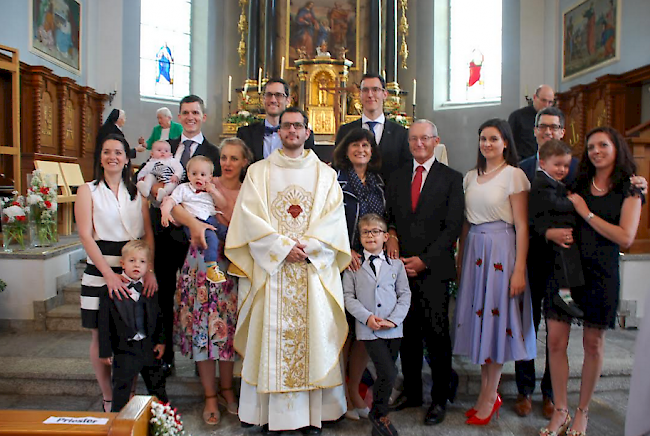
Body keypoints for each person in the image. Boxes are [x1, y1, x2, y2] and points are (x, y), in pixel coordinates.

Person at [225, 107, 351, 434]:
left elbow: (334, 219)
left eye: (298, 125)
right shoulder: (258, 172)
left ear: (308, 132)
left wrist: (307, 247)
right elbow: (248, 219)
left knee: (316, 337)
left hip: (310, 269)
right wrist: (281, 248)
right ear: (279, 131)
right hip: (273, 272)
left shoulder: (325, 174)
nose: (292, 130)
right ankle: (266, 415)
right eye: (286, 126)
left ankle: (316, 414)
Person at [541, 126, 642, 436]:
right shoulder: (577, 181)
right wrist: (547, 232)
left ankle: (583, 411)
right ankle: (560, 410)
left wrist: (586, 214)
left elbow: (625, 237)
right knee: (555, 342)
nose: (596, 150)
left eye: (603, 145)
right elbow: (544, 205)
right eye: (591, 146)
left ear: (617, 148)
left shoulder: (631, 189)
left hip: (601, 274)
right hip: (567, 272)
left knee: (593, 344)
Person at [453, 118, 536, 426]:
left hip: (502, 249)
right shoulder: (471, 177)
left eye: (493, 139)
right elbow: (465, 220)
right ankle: (486, 394)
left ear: (505, 143)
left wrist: (519, 271)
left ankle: (491, 395)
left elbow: (523, 226)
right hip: (475, 249)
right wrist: (461, 256)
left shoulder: (514, 176)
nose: (487, 144)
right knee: (481, 324)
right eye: (483, 139)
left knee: (497, 323)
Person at [385, 120, 464, 426]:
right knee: (408, 335)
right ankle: (413, 391)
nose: (419, 144)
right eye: (414, 139)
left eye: (425, 139)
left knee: (437, 335)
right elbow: (389, 216)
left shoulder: (451, 178)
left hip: (433, 269)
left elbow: (453, 227)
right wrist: (391, 234)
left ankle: (440, 398)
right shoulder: (397, 176)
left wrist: (425, 260)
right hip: (401, 267)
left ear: (436, 141)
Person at [171, 137, 253, 425]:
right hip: (201, 264)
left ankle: (228, 391)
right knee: (203, 329)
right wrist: (194, 223)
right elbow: (175, 207)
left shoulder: (249, 190)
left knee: (226, 330)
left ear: (245, 162)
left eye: (235, 158)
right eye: (225, 158)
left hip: (232, 265)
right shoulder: (206, 180)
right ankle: (209, 394)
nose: (228, 163)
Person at [75, 134, 157, 413]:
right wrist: (109, 276)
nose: (113, 156)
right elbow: (86, 235)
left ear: (126, 159)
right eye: (107, 152)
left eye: (118, 152)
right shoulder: (88, 190)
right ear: (100, 157)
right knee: (101, 336)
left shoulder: (137, 192)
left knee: (130, 334)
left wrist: (150, 271)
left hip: (133, 268)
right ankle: (109, 396)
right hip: (100, 272)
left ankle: (128, 392)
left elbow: (148, 235)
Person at [151, 94, 220, 375]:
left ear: (204, 117)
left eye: (195, 112)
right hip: (167, 232)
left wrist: (193, 223)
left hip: (198, 236)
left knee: (200, 296)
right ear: (179, 118)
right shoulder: (166, 148)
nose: (190, 117)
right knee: (165, 293)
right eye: (185, 113)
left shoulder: (214, 152)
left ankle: (199, 357)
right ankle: (165, 355)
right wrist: (155, 189)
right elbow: (151, 178)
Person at [515, 105, 571, 419]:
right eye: (542, 127)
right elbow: (518, 218)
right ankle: (524, 390)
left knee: (557, 332)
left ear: (562, 131)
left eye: (554, 127)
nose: (548, 132)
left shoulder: (574, 169)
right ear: (535, 131)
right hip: (531, 258)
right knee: (526, 326)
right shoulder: (521, 168)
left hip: (563, 265)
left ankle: (551, 393)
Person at [332, 127, 385, 420]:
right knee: (346, 331)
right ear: (345, 149)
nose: (361, 150)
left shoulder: (378, 181)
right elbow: (327, 219)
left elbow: (385, 219)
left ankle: (354, 389)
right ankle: (342, 391)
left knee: (366, 330)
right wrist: (344, 249)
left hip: (372, 265)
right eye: (355, 145)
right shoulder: (335, 180)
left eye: (366, 145)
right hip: (345, 263)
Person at [342, 213, 411, 436]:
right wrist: (367, 317)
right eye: (365, 232)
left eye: (375, 232)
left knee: (387, 373)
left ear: (385, 236)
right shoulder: (354, 266)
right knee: (388, 372)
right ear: (360, 237)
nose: (370, 236)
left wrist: (393, 320)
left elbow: (404, 295)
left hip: (393, 328)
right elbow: (348, 297)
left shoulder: (396, 266)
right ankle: (378, 413)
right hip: (368, 329)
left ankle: (379, 423)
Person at [98, 240, 167, 412]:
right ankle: (116, 423)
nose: (137, 265)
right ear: (122, 263)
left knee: (158, 387)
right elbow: (104, 324)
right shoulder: (109, 292)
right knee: (121, 389)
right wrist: (105, 351)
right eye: (132, 261)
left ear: (148, 266)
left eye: (142, 262)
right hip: (124, 350)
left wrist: (161, 341)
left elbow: (160, 317)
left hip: (148, 348)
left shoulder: (151, 290)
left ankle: (167, 421)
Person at [529, 139, 584, 319]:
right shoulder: (541, 182)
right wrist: (573, 203)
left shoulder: (553, 181)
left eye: (566, 165)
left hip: (556, 231)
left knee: (568, 260)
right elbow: (553, 204)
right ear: (543, 163)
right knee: (565, 259)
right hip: (545, 232)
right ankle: (564, 296)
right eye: (557, 165)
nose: (562, 169)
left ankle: (566, 294)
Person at [160, 155, 228, 284]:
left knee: (228, 233)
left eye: (203, 174)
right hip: (195, 222)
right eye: (194, 174)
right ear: (189, 176)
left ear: (210, 177)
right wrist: (165, 213)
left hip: (211, 220)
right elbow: (171, 201)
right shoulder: (183, 189)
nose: (198, 177)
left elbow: (223, 204)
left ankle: (237, 258)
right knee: (211, 238)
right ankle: (211, 268)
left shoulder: (210, 190)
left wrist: (214, 192)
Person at [335, 74, 411, 186]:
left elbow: (406, 170)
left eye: (375, 90)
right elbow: (338, 165)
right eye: (365, 90)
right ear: (360, 95)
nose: (370, 95)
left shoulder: (401, 133)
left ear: (385, 94)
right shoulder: (345, 131)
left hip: (391, 198)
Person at [236, 78, 314, 162]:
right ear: (263, 99)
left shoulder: (302, 134)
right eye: (269, 95)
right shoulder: (246, 134)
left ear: (288, 100)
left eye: (278, 95)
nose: (273, 100)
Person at [508, 84, 555, 161]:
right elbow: (509, 142)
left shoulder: (554, 118)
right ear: (534, 97)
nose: (546, 105)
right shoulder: (517, 116)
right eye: (543, 100)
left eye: (550, 102)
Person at [94, 109, 134, 177]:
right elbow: (120, 149)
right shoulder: (116, 132)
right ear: (119, 119)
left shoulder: (104, 128)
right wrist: (136, 150)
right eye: (124, 118)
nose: (125, 120)